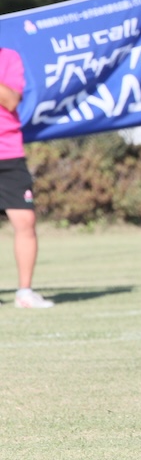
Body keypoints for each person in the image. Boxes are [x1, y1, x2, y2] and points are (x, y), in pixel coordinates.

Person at [0, 48, 53, 308]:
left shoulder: (9, 58)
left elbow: (10, 100)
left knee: (25, 220)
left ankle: (24, 292)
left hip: (8, 152)